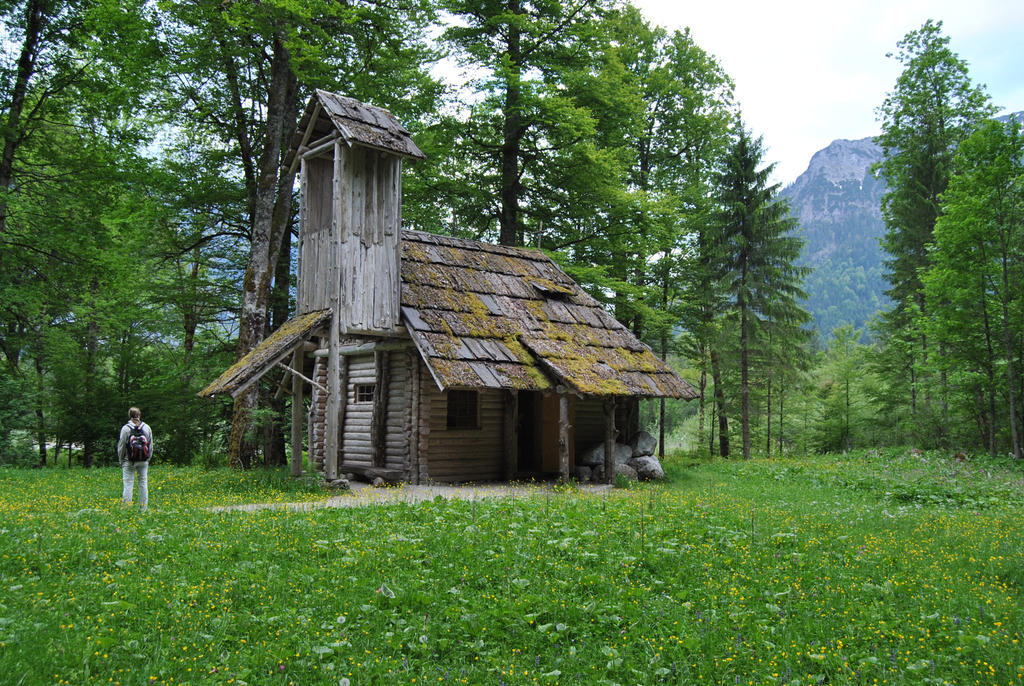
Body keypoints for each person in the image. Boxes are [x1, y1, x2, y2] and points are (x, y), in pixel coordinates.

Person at [117, 407, 154, 512]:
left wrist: (121, 460)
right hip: (143, 461)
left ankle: (126, 509)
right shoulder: (147, 427)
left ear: (129, 415)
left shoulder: (126, 428)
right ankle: (143, 509)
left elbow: (121, 446)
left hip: (129, 461)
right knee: (143, 483)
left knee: (128, 484)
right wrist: (147, 459)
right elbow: (150, 445)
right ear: (139, 415)